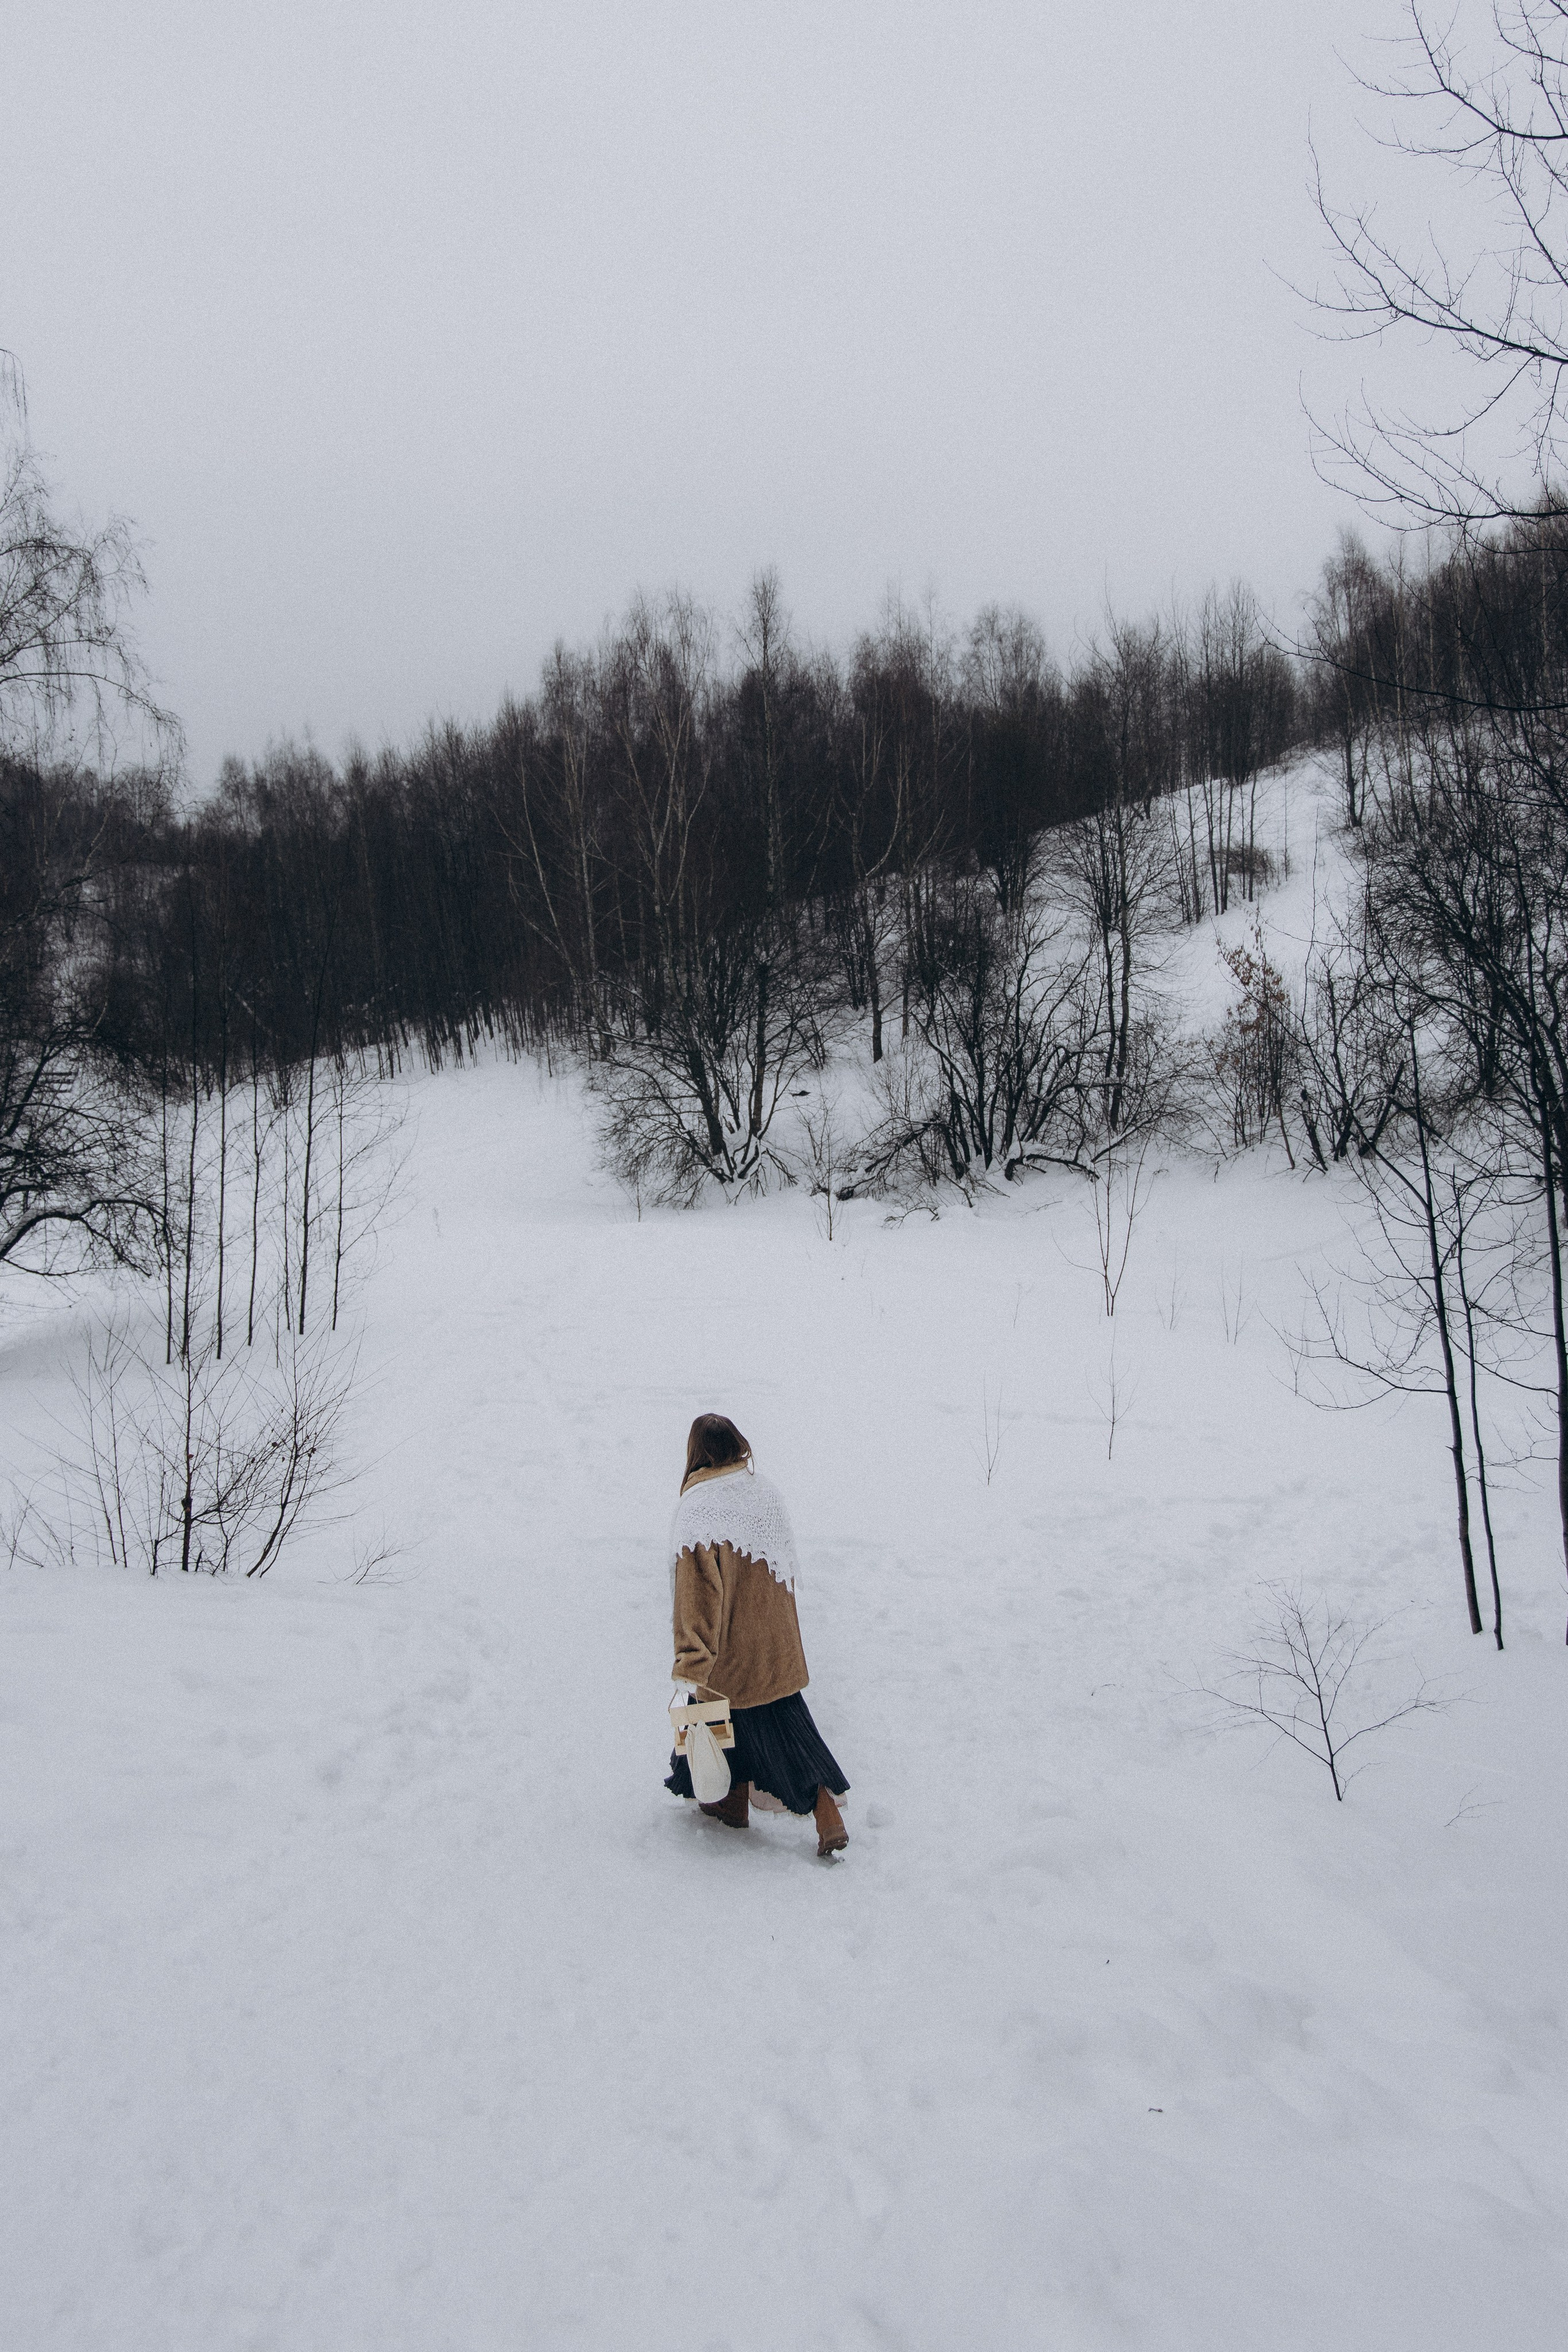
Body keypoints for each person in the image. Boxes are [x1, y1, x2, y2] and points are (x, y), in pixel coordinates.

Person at [665, 1412, 850, 1858]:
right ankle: (738, 1805)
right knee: (785, 1727)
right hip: (776, 1645)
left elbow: (698, 1597)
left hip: (727, 1653)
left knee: (715, 1715)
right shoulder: (764, 1492)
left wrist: (692, 1661)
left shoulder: (697, 1511)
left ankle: (813, 1809)